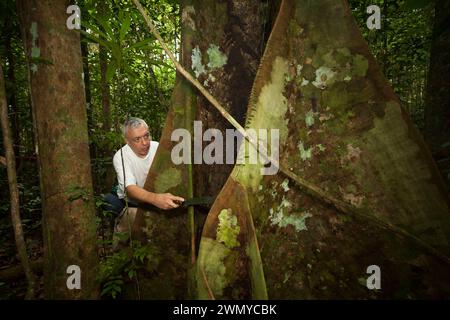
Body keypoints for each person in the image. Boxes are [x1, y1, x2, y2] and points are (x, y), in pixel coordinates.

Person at [103, 117, 184, 216]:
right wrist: (156, 199)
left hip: (154, 194)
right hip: (132, 201)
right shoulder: (121, 156)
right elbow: (130, 189)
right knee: (109, 202)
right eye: (137, 139)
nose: (145, 143)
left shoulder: (157, 147)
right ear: (127, 141)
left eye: (146, 136)